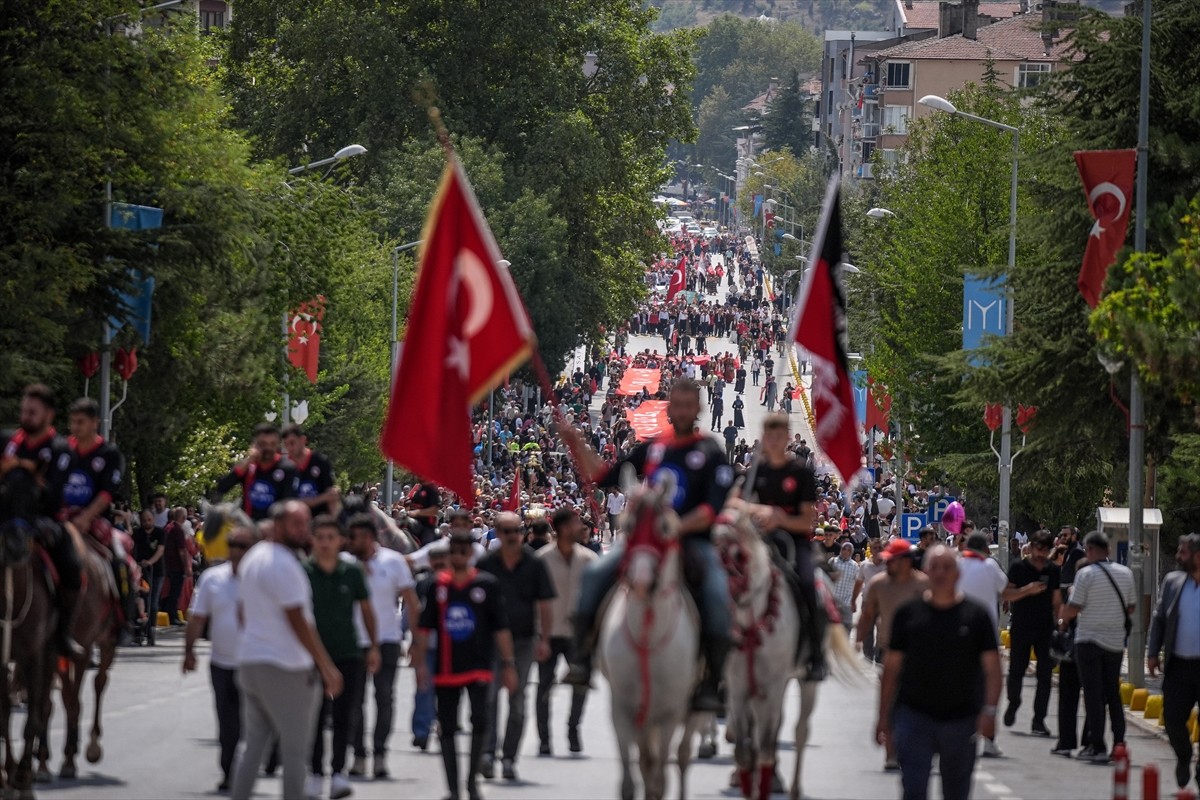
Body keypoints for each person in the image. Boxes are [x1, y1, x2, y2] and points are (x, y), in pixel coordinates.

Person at [559, 378, 734, 711]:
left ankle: (712, 681)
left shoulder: (711, 452)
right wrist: (577, 445)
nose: (681, 411)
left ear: (698, 408)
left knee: (717, 594)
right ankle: (581, 658)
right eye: (676, 404)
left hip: (693, 542)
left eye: (688, 404)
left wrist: (677, 526)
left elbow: (714, 507)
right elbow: (605, 477)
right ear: (669, 408)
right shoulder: (652, 448)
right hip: (647, 541)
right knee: (596, 573)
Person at [230, 500, 343, 800]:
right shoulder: (285, 564)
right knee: (295, 751)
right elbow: (299, 621)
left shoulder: (253, 557)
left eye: (306, 522)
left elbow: (242, 611)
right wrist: (326, 665)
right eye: (296, 523)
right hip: (284, 666)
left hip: (251, 662)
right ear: (277, 525)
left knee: (253, 746)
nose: (303, 529)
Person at [877, 546, 1001, 800]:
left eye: (947, 567)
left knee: (956, 792)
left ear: (957, 573)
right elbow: (891, 668)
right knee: (913, 789)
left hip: (962, 719)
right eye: (935, 567)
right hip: (914, 716)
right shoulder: (908, 614)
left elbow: (993, 669)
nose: (941, 573)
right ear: (926, 571)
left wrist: (989, 711)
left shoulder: (976, 616)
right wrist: (883, 718)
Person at [411, 527, 519, 800]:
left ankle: (472, 783)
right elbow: (424, 629)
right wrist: (420, 664)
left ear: (470, 553)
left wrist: (508, 664)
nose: (458, 556)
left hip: (479, 665)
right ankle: (453, 788)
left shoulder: (486, 585)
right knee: (447, 727)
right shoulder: (437, 586)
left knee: (480, 721)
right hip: (446, 668)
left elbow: (501, 628)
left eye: (463, 551)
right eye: (454, 551)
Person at [0, 383, 84, 657]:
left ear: (49, 415)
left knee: (71, 566)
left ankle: (63, 632)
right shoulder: (7, 441)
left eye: (32, 412)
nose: (25, 417)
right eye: (24, 411)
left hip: (43, 519)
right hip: (6, 516)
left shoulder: (60, 449)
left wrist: (17, 471)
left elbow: (53, 491)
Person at [742, 412, 826, 679]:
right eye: (770, 437)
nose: (775, 442)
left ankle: (815, 653)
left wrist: (780, 518)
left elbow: (805, 521)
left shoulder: (801, 472)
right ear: (764, 439)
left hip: (793, 541)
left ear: (787, 438)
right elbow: (733, 502)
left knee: (807, 582)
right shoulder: (756, 469)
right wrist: (760, 510)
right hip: (758, 540)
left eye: (780, 437)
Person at [476, 511, 556, 782]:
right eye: (506, 531)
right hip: (490, 642)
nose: (512, 537)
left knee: (517, 702)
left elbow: (544, 603)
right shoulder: (486, 563)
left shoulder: (534, 564)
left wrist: (545, 639)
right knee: (488, 700)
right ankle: (487, 754)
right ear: (497, 533)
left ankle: (509, 757)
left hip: (523, 641)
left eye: (516, 531)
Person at [183, 507, 257, 792]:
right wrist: (188, 651)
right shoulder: (213, 579)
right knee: (228, 723)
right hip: (222, 662)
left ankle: (264, 758)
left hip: (257, 662)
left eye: (243, 546)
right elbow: (197, 617)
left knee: (255, 721)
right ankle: (229, 772)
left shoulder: (264, 575)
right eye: (233, 546)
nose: (237, 551)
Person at [305, 516, 379, 800]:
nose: (325, 543)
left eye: (330, 537)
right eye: (320, 537)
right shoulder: (303, 571)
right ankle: (314, 773)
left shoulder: (352, 571)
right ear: (312, 540)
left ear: (341, 541)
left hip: (348, 652)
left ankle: (337, 773)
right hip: (310, 655)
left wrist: (373, 646)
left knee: (344, 715)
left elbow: (366, 609)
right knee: (313, 715)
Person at [345, 513, 420, 778]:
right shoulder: (343, 564)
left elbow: (411, 601)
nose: (353, 542)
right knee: (354, 701)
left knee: (384, 697)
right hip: (352, 642)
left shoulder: (393, 562)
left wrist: (415, 640)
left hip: (387, 639)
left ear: (370, 537)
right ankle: (358, 755)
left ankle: (379, 753)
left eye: (357, 537)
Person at [59, 397, 137, 636]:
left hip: (95, 520)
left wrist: (86, 517)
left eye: (81, 422)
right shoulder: (62, 449)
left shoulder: (109, 453)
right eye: (73, 422)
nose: (75, 427)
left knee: (120, 560)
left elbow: (106, 492)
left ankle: (124, 618)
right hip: (62, 518)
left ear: (94, 422)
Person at [1057, 531, 1134, 764]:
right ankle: (1119, 742)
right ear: (1108, 550)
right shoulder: (1126, 573)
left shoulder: (1086, 574)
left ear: (1089, 550)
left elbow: (1073, 608)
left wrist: (1062, 623)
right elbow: (1130, 608)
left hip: (1088, 641)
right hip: (1114, 642)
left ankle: (1097, 745)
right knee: (1113, 693)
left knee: (1093, 695)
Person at [857, 538, 929, 771]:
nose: (887, 564)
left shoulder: (923, 585)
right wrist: (859, 639)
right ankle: (891, 754)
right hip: (888, 651)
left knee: (920, 705)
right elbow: (868, 614)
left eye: (892, 560)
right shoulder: (878, 584)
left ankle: (918, 748)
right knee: (889, 703)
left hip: (920, 654)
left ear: (906, 562)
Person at [536, 507, 596, 756]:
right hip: (547, 634)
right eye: (574, 524)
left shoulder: (589, 560)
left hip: (578, 636)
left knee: (580, 685)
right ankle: (545, 739)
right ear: (561, 528)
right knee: (544, 688)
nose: (580, 528)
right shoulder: (541, 560)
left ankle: (573, 730)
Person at [1147, 532, 1200, 792]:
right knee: (1172, 718)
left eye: (1183, 552)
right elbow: (1158, 619)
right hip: (1179, 665)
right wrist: (1152, 652)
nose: (1178, 556)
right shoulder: (1172, 582)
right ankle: (1184, 755)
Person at [956, 531, 1015, 758]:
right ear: (986, 550)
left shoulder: (955, 562)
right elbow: (1005, 589)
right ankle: (988, 740)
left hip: (957, 633)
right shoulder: (990, 566)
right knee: (986, 688)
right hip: (985, 637)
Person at [1002, 528, 1060, 738]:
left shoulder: (1053, 570)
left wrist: (1060, 624)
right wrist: (1027, 590)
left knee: (1045, 676)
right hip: (1021, 626)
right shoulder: (1019, 567)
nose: (1040, 554)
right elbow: (1006, 593)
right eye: (1037, 549)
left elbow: (1056, 601)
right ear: (1031, 547)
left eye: (1045, 550)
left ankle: (1039, 720)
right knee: (1017, 669)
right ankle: (1013, 702)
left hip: (1045, 628)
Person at [410, 539, 450, 752]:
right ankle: (421, 731)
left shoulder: (457, 583)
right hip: (428, 644)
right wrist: (414, 642)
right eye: (436, 559)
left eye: (443, 559)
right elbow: (413, 612)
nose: (439, 563)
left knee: (449, 691)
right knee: (424, 688)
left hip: (452, 645)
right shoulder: (422, 584)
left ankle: (447, 728)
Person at [215, 422, 299, 521]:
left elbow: (288, 502)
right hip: (248, 524)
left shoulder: (287, 468)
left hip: (274, 526)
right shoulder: (248, 466)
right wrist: (248, 461)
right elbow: (222, 488)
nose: (268, 448)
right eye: (263, 444)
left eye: (272, 444)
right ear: (255, 444)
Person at [281, 423, 340, 517]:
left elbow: (331, 495)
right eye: (286, 444)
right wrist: (322, 498)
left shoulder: (320, 462)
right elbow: (289, 503)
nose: (289, 448)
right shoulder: (285, 467)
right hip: (294, 519)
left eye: (292, 443)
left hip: (320, 519)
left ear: (303, 440)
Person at [132, 508, 166, 645]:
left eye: (149, 520)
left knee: (153, 601)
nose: (147, 522)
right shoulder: (137, 533)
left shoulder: (160, 532)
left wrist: (150, 562)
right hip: (140, 571)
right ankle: (139, 631)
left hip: (156, 571)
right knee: (140, 600)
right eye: (144, 520)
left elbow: (160, 550)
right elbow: (133, 550)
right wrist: (137, 565)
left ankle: (151, 629)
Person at [828, 541, 862, 634]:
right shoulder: (832, 562)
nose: (846, 552)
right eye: (844, 549)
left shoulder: (854, 566)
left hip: (847, 602)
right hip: (832, 601)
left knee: (846, 628)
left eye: (848, 550)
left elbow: (858, 584)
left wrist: (853, 601)